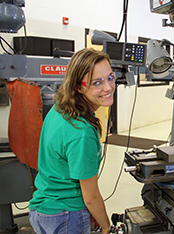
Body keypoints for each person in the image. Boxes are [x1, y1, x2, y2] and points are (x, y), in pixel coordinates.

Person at [29, 48, 115, 234]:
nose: (108, 87)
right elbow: (91, 197)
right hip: (66, 216)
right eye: (96, 83)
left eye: (110, 77)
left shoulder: (60, 106)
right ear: (78, 86)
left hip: (42, 210)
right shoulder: (81, 132)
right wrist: (106, 227)